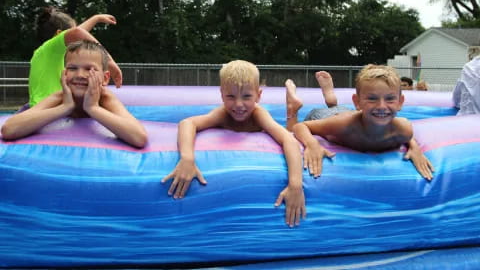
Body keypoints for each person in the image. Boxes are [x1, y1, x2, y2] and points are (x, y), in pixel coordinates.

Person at [162, 60, 305, 227]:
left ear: (258, 96)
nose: (238, 105)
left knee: (292, 131)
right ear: (222, 94)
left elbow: (289, 140)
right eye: (231, 96)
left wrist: (295, 185)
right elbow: (187, 123)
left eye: (247, 96)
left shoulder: (258, 114)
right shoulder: (222, 114)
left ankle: (291, 108)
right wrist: (187, 158)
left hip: (276, 129)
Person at [285, 65, 434, 180]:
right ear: (357, 102)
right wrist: (312, 144)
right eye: (372, 98)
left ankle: (331, 99)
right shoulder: (344, 125)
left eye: (390, 99)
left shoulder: (404, 129)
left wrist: (415, 148)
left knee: (339, 109)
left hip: (351, 113)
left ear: (400, 102)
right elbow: (301, 127)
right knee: (290, 132)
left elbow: (407, 136)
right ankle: (293, 107)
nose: (382, 106)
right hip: (325, 116)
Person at [1, 40, 147, 148]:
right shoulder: (59, 97)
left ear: (105, 78)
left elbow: (139, 138)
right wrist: (65, 107)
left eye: (89, 69)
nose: (80, 75)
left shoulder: (105, 98)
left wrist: (93, 108)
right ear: (64, 73)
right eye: (72, 68)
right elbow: (8, 130)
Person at [28, 6, 123, 108]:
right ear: (58, 34)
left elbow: (78, 32)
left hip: (41, 108)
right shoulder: (51, 49)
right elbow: (77, 33)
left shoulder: (44, 53)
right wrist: (109, 62)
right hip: (49, 110)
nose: (78, 43)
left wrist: (96, 18)